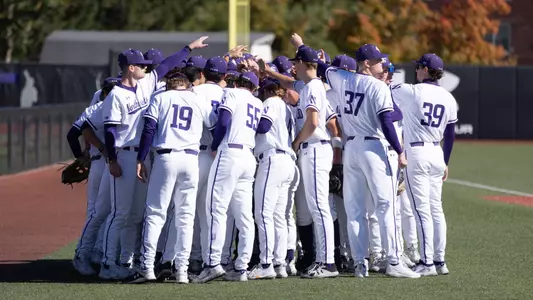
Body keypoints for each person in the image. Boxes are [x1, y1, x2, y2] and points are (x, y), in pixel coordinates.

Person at [99, 36, 208, 280]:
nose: (147, 68)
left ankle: (132, 262)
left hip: (147, 155)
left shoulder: (147, 86)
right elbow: (110, 130)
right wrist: (112, 160)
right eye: (142, 65)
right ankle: (108, 263)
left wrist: (188, 48)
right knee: (121, 213)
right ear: (130, 67)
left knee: (138, 214)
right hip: (125, 154)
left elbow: (166, 65)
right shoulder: (116, 94)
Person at [315, 39, 420, 278]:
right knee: (386, 206)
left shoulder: (343, 79)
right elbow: (386, 122)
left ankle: (360, 262)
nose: (381, 64)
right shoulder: (377, 86)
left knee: (354, 210)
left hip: (351, 148)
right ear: (365, 63)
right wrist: (400, 151)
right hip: (373, 146)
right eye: (376, 61)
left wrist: (305, 48)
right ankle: (394, 261)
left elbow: (323, 69)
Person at [128, 70, 216, 284]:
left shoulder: (161, 97)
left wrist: (140, 159)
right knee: (185, 217)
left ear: (169, 84)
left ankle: (147, 268)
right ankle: (182, 271)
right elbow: (216, 125)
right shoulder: (196, 99)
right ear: (186, 84)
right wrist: (214, 146)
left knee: (156, 213)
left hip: (166, 157)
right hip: (191, 159)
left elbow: (149, 129)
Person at [193, 72, 268, 283]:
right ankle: (241, 267)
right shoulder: (257, 102)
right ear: (253, 87)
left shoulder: (232, 94)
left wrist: (215, 145)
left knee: (215, 208)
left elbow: (224, 121)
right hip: (248, 156)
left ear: (237, 83)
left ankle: (212, 264)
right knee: (244, 215)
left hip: (230, 152)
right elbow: (262, 127)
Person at [391, 53, 457, 276]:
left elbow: (386, 92)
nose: (416, 70)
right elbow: (450, 135)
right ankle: (440, 261)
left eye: (419, 67)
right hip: (437, 152)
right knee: (436, 209)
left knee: (422, 210)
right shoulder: (449, 98)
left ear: (426, 70)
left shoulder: (412, 91)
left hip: (417, 151)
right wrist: (445, 161)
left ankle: (427, 262)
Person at [69, 77, 119, 276]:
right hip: (104, 162)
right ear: (105, 92)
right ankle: (87, 253)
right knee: (100, 210)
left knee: (102, 210)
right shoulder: (98, 109)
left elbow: (73, 135)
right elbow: (79, 133)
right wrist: (90, 153)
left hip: (103, 161)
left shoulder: (95, 108)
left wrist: (81, 156)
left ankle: (97, 252)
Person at [247, 78, 296, 280]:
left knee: (263, 214)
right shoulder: (286, 107)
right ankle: (279, 263)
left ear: (267, 91)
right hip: (287, 162)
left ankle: (266, 264)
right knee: (278, 216)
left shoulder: (271, 102)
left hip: (273, 160)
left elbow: (264, 126)